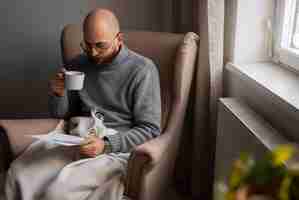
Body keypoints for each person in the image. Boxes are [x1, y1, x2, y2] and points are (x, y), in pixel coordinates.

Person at [5, 8, 161, 200]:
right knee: (18, 173)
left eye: (100, 45)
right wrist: (58, 93)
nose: (93, 53)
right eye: (87, 45)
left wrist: (105, 145)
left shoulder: (143, 70)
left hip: (113, 148)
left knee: (57, 193)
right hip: (76, 139)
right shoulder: (77, 64)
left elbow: (150, 129)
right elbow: (62, 114)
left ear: (119, 38)